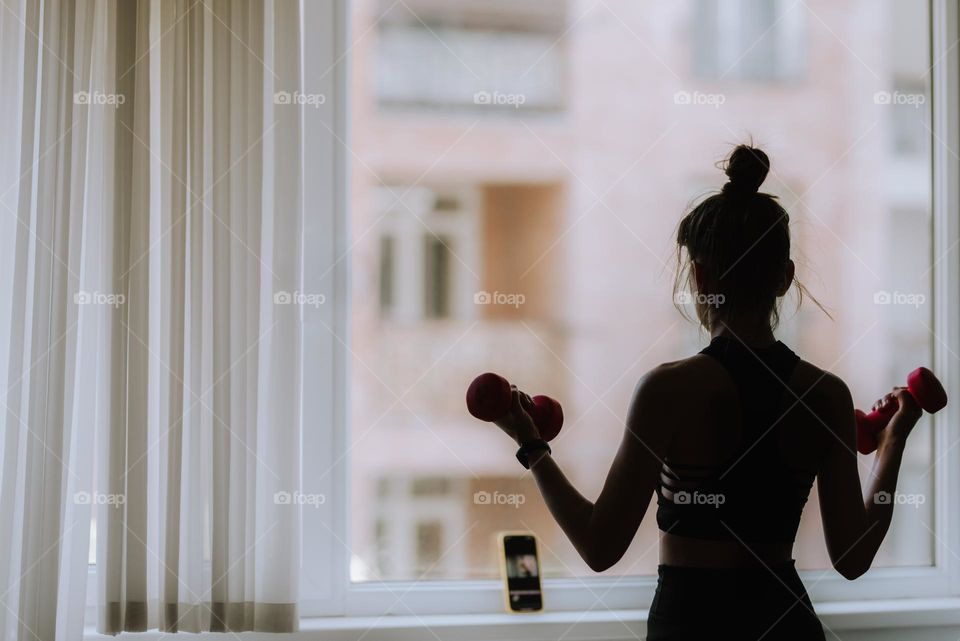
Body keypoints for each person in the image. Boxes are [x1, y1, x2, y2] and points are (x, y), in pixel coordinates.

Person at [494, 144, 923, 640]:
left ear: (699, 277)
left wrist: (531, 445)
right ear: (785, 280)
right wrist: (893, 443)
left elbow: (599, 546)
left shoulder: (667, 389)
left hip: (690, 626)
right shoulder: (823, 394)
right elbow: (852, 559)